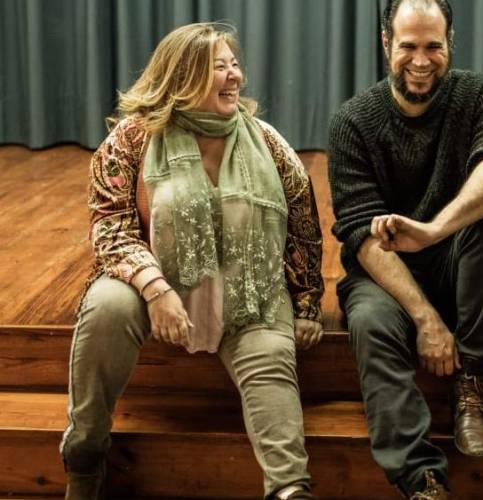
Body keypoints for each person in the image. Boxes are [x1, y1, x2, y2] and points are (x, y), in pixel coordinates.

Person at [59, 22, 323, 500]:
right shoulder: (132, 139)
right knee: (107, 309)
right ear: (180, 78)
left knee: (270, 357)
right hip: (152, 282)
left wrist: (305, 304)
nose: (234, 76)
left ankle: (290, 490)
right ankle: (84, 456)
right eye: (217, 67)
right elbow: (110, 227)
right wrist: (156, 290)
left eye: (234, 64)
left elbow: (303, 222)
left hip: (249, 292)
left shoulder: (266, 141)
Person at [328, 0, 483, 497]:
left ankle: (473, 384)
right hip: (385, 275)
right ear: (386, 44)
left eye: (433, 46)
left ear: (450, 44)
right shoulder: (353, 121)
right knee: (371, 323)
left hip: (456, 257)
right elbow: (360, 235)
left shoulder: (481, 94)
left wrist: (434, 229)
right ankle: (421, 479)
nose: (421, 60)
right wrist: (426, 319)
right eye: (408, 46)